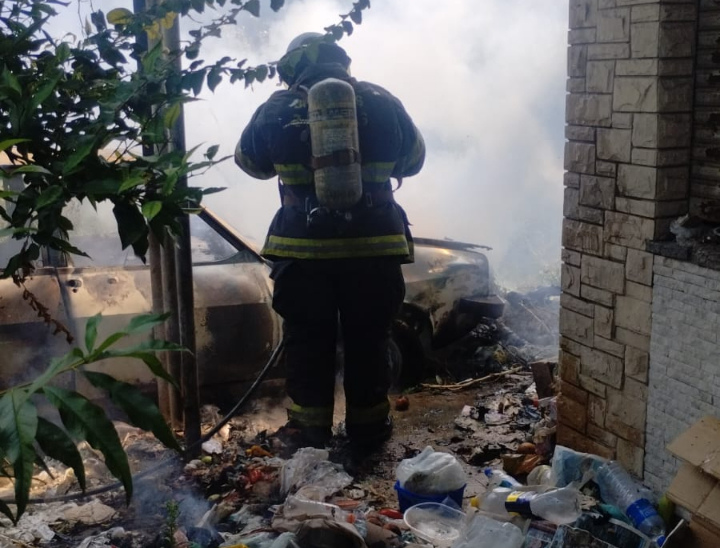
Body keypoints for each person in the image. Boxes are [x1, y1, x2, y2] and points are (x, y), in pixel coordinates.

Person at [235, 32, 425, 449]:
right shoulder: (383, 100)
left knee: (308, 342)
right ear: (342, 61)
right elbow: (413, 161)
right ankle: (369, 431)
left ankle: (309, 431)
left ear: (292, 68)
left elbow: (251, 163)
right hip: (375, 250)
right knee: (370, 340)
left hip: (303, 253)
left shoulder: (277, 108)